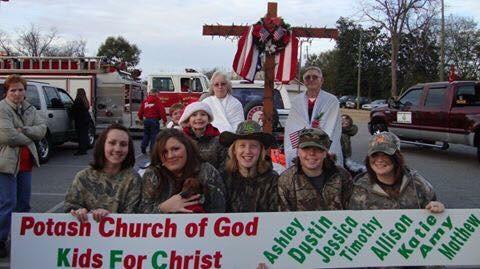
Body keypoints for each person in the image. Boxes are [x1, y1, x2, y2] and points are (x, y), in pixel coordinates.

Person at [0, 74, 47, 258]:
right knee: (7, 202)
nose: (17, 93)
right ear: (7, 91)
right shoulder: (2, 109)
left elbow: (42, 129)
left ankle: (21, 239)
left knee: (23, 204)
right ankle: (1, 239)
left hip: (26, 164)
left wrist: (24, 130)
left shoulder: (29, 108)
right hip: (6, 164)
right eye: (13, 90)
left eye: (20, 90)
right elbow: (7, 136)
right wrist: (30, 137)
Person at [348, 132, 445, 213]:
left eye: (386, 154)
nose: (379, 160)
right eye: (375, 155)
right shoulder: (360, 188)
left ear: (397, 157)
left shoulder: (417, 183)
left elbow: (433, 213)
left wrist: (438, 209)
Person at [64, 123, 142, 223]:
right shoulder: (83, 177)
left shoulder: (133, 179)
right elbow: (69, 206)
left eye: (123, 144)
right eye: (112, 143)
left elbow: (132, 216)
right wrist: (79, 211)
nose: (117, 149)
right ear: (102, 145)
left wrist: (109, 216)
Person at [139, 128, 225, 213]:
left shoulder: (207, 172)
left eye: (176, 149)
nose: (170, 156)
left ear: (187, 148)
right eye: (164, 152)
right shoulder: (153, 174)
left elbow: (218, 210)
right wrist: (163, 208)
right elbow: (141, 212)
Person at [278, 128, 352, 211]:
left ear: (325, 153)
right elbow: (283, 217)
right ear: (298, 151)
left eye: (317, 149)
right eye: (306, 148)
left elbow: (351, 210)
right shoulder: (286, 180)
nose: (312, 153)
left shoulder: (342, 176)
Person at [284, 66, 343, 167]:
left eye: (315, 77)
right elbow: (292, 125)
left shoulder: (331, 101)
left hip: (322, 144)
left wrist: (315, 137)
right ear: (304, 81)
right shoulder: (297, 101)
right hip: (303, 144)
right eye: (307, 77)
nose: (311, 79)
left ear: (322, 80)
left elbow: (330, 126)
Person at [219, 120, 278, 212]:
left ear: (261, 151)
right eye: (242, 146)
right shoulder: (222, 179)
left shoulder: (273, 180)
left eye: (253, 146)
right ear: (234, 150)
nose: (247, 151)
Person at [179, 102, 226, 169]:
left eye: (203, 114)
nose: (199, 118)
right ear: (188, 119)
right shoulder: (182, 139)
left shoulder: (218, 139)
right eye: (194, 115)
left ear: (208, 119)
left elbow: (224, 165)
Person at [138, 88, 167, 154]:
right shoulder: (157, 101)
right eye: (157, 94)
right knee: (154, 136)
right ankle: (152, 150)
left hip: (146, 120)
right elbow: (162, 111)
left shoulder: (145, 101)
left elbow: (140, 112)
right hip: (154, 120)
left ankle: (143, 146)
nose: (158, 95)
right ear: (155, 93)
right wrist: (164, 120)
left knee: (146, 134)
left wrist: (141, 119)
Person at [72, 88, 92, 156]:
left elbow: (74, 109)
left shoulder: (78, 100)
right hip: (86, 119)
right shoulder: (85, 100)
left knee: (80, 136)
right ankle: (84, 149)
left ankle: (81, 150)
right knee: (84, 135)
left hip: (80, 120)